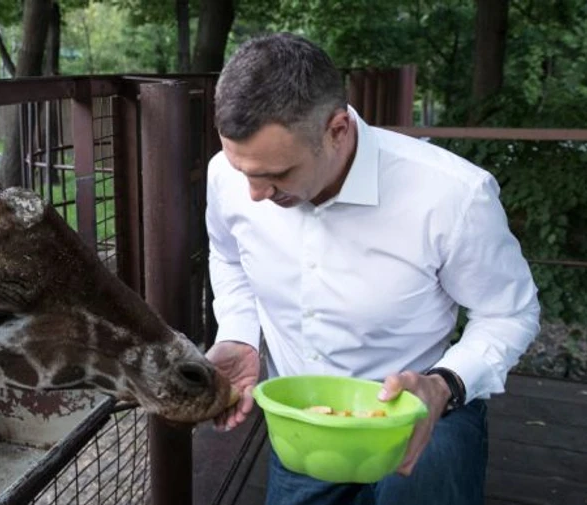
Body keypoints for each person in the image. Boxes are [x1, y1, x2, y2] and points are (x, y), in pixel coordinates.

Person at [204, 32, 540, 505]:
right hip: (302, 424)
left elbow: (509, 313)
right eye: (244, 172)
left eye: (278, 175)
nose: (255, 194)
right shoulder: (227, 175)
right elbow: (229, 256)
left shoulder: (453, 195)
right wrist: (240, 334)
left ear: (337, 130)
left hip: (426, 415)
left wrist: (444, 385)